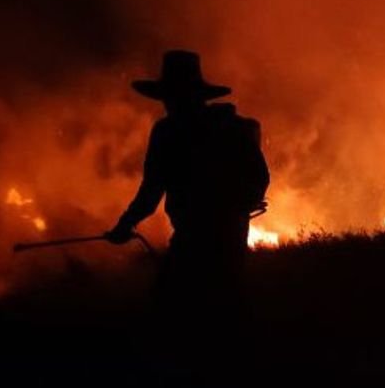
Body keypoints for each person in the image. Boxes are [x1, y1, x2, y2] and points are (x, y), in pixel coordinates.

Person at [106, 49, 269, 360]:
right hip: (232, 232)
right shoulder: (233, 128)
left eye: (172, 95)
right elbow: (259, 175)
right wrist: (240, 204)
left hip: (193, 236)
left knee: (172, 310)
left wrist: (125, 225)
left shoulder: (168, 132)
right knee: (228, 301)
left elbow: (151, 190)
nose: (169, 103)